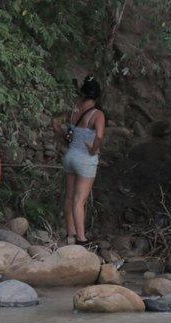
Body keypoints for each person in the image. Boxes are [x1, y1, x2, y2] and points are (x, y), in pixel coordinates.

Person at [53, 75, 105, 246]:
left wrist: (64, 136)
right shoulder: (98, 114)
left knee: (69, 198)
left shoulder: (75, 110)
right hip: (85, 159)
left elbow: (55, 123)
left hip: (70, 156)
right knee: (79, 200)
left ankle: (70, 235)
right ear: (97, 95)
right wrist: (93, 149)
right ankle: (81, 239)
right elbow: (99, 135)